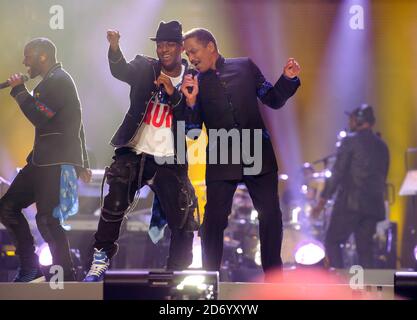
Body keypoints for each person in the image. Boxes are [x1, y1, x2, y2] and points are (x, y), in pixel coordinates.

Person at [180, 28, 301, 277]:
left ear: (210, 46)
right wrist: (190, 104)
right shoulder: (194, 83)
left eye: (193, 51)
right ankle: (209, 277)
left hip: (258, 152)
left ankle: (273, 277)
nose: (190, 58)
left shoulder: (245, 67)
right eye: (188, 54)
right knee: (213, 219)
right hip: (222, 158)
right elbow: (192, 132)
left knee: (270, 216)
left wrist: (287, 80)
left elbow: (272, 98)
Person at [83, 21, 199, 282]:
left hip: (170, 158)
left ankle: (176, 273)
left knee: (182, 217)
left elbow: (192, 125)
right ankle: (100, 261)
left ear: (181, 48)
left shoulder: (193, 78)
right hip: (134, 150)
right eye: (160, 45)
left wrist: (173, 94)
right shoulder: (145, 67)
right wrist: (114, 48)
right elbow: (120, 70)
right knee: (113, 205)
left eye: (170, 45)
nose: (164, 50)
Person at [0, 38, 91, 282]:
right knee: (7, 207)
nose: (23, 62)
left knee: (47, 219)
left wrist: (19, 90)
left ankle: (67, 277)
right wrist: (82, 161)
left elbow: (40, 116)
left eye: (28, 56)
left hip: (54, 162)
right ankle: (29, 267)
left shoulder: (59, 80)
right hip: (41, 161)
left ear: (43, 57)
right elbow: (74, 123)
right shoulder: (53, 81)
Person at [312, 104, 389, 268]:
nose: (350, 122)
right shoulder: (383, 146)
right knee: (365, 250)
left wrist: (321, 202)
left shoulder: (350, 141)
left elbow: (337, 173)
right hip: (373, 207)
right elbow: (383, 176)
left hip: (350, 204)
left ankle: (340, 287)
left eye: (352, 119)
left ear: (359, 120)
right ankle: (366, 290)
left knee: (332, 242)